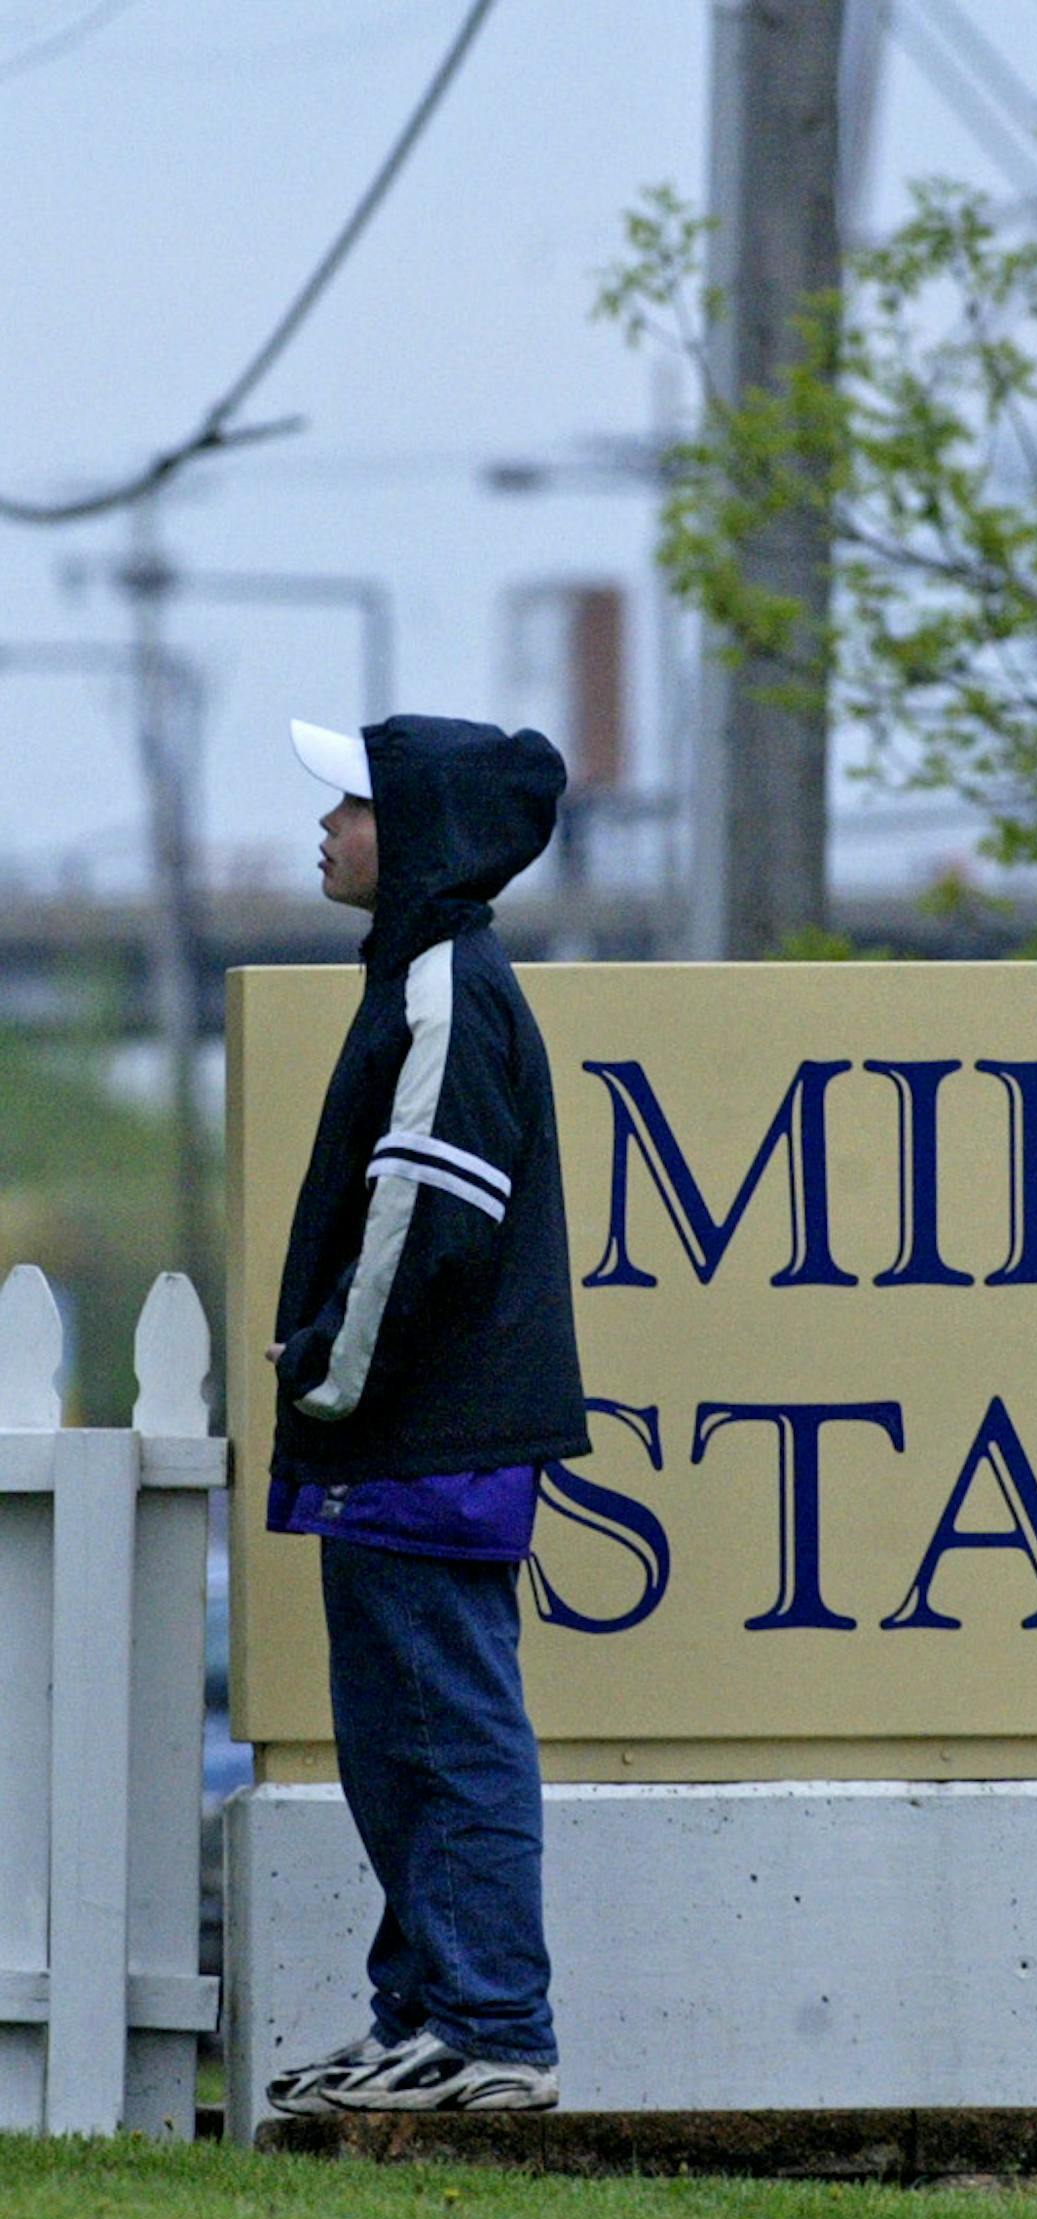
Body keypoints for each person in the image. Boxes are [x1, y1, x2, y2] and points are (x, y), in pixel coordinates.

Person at [261, 713, 589, 2115]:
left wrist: (329, 1375)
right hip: (409, 1436)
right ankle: (425, 2019)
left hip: (425, 1435)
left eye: (351, 804)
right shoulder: (420, 973)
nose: (326, 828)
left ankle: (491, 2030)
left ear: (422, 832)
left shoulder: (449, 985)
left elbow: (427, 1219)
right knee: (401, 1743)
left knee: (445, 1734)